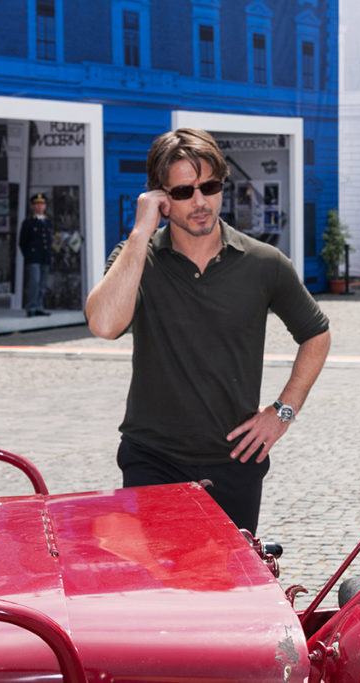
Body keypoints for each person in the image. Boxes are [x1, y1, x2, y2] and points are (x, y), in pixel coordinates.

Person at [84, 128, 331, 534]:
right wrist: (140, 232)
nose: (200, 202)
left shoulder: (264, 263)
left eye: (210, 187)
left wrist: (282, 412)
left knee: (228, 591)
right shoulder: (136, 259)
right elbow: (105, 324)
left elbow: (316, 334)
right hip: (151, 458)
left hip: (234, 461)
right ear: (160, 197)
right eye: (182, 192)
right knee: (155, 590)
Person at [19, 192, 53, 317]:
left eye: (42, 204)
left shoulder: (48, 221)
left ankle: (39, 306)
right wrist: (28, 255)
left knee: (43, 284)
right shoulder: (28, 222)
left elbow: (49, 239)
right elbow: (22, 242)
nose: (40, 207)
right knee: (34, 282)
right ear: (33, 206)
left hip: (45, 256)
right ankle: (31, 307)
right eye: (37, 204)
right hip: (33, 257)